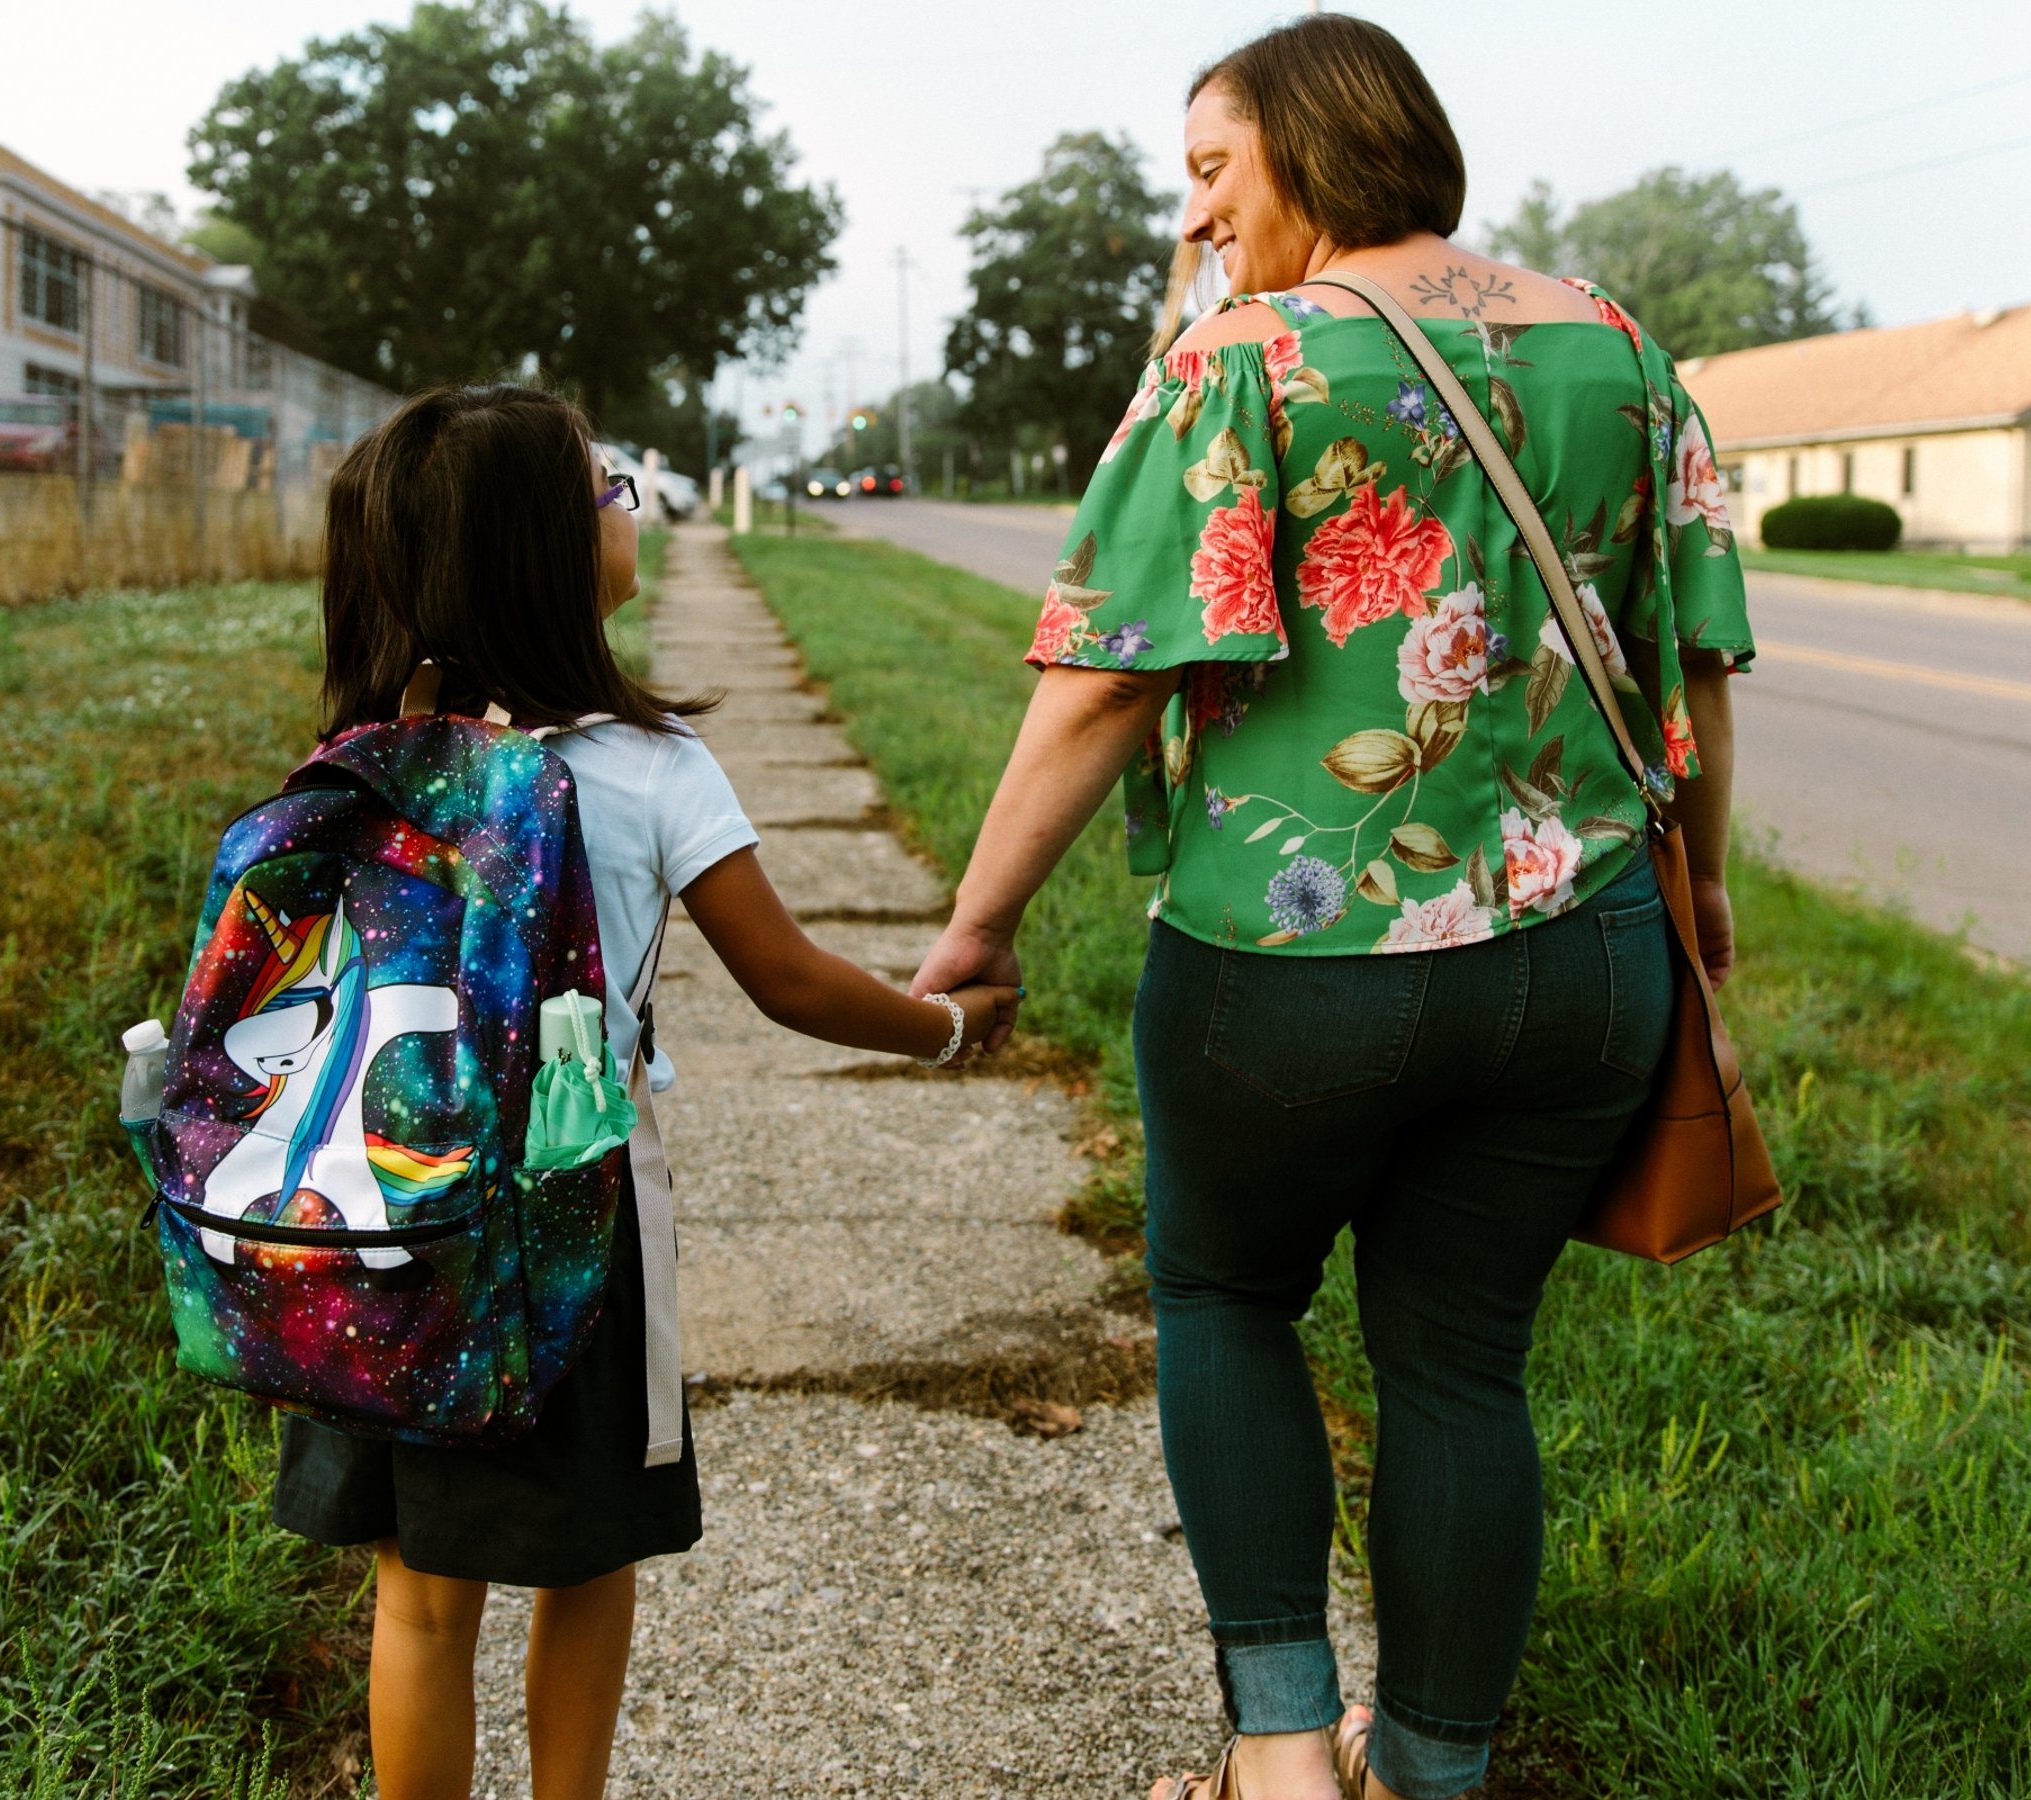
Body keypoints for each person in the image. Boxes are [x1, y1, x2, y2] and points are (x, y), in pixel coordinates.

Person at [910, 17, 1753, 1799]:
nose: (1201, 220)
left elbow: (1101, 685)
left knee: (1225, 1295)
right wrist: (1712, 895)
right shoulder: (1620, 348)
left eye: (1215, 171)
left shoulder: (1245, 363)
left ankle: (1284, 1759)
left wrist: (979, 924)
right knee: (1461, 1361)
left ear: (1311, 144)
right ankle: (1429, 1773)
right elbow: (1699, 667)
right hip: (1586, 960)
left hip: (1292, 967)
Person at [272, 383, 1016, 1800]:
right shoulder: (650, 766)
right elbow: (786, 978)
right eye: (607, 491)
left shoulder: (360, 766)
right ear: (550, 563)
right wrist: (944, 1031)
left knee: (420, 1595)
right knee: (587, 1559)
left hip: (382, 1216)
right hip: (570, 1229)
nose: (630, 507)